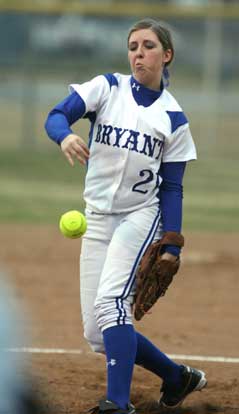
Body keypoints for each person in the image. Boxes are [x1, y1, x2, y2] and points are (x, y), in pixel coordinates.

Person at [45, 18, 207, 413]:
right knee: (97, 334)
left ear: (166, 55)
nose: (138, 52)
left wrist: (173, 240)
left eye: (148, 45)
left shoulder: (173, 119)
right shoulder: (108, 87)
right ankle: (175, 377)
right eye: (133, 45)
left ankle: (117, 403)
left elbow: (171, 187)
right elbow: (56, 114)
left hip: (140, 215)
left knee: (110, 304)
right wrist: (65, 134)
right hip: (98, 216)